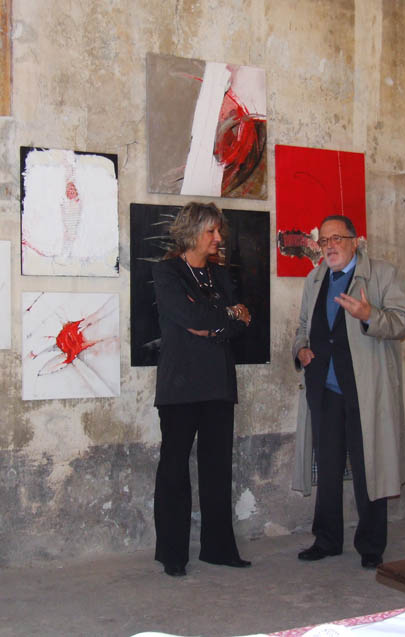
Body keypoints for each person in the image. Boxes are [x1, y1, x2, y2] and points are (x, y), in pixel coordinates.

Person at [292, 215, 405, 569]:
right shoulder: (315, 278)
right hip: (325, 390)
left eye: (337, 238)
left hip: (366, 390)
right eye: (324, 240)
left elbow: (404, 322)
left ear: (355, 241)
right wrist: (301, 349)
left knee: (368, 467)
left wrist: (369, 315)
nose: (329, 246)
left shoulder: (382, 275)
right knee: (328, 468)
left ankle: (371, 545)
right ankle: (327, 539)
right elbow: (303, 326)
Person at [152, 201, 252, 577]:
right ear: (192, 232)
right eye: (211, 231)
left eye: (218, 231)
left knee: (217, 469)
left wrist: (216, 322)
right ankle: (172, 553)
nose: (218, 238)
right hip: (179, 385)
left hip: (218, 383)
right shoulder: (167, 272)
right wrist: (224, 316)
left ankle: (218, 549)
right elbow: (188, 315)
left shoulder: (220, 275)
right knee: (174, 469)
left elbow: (241, 322)